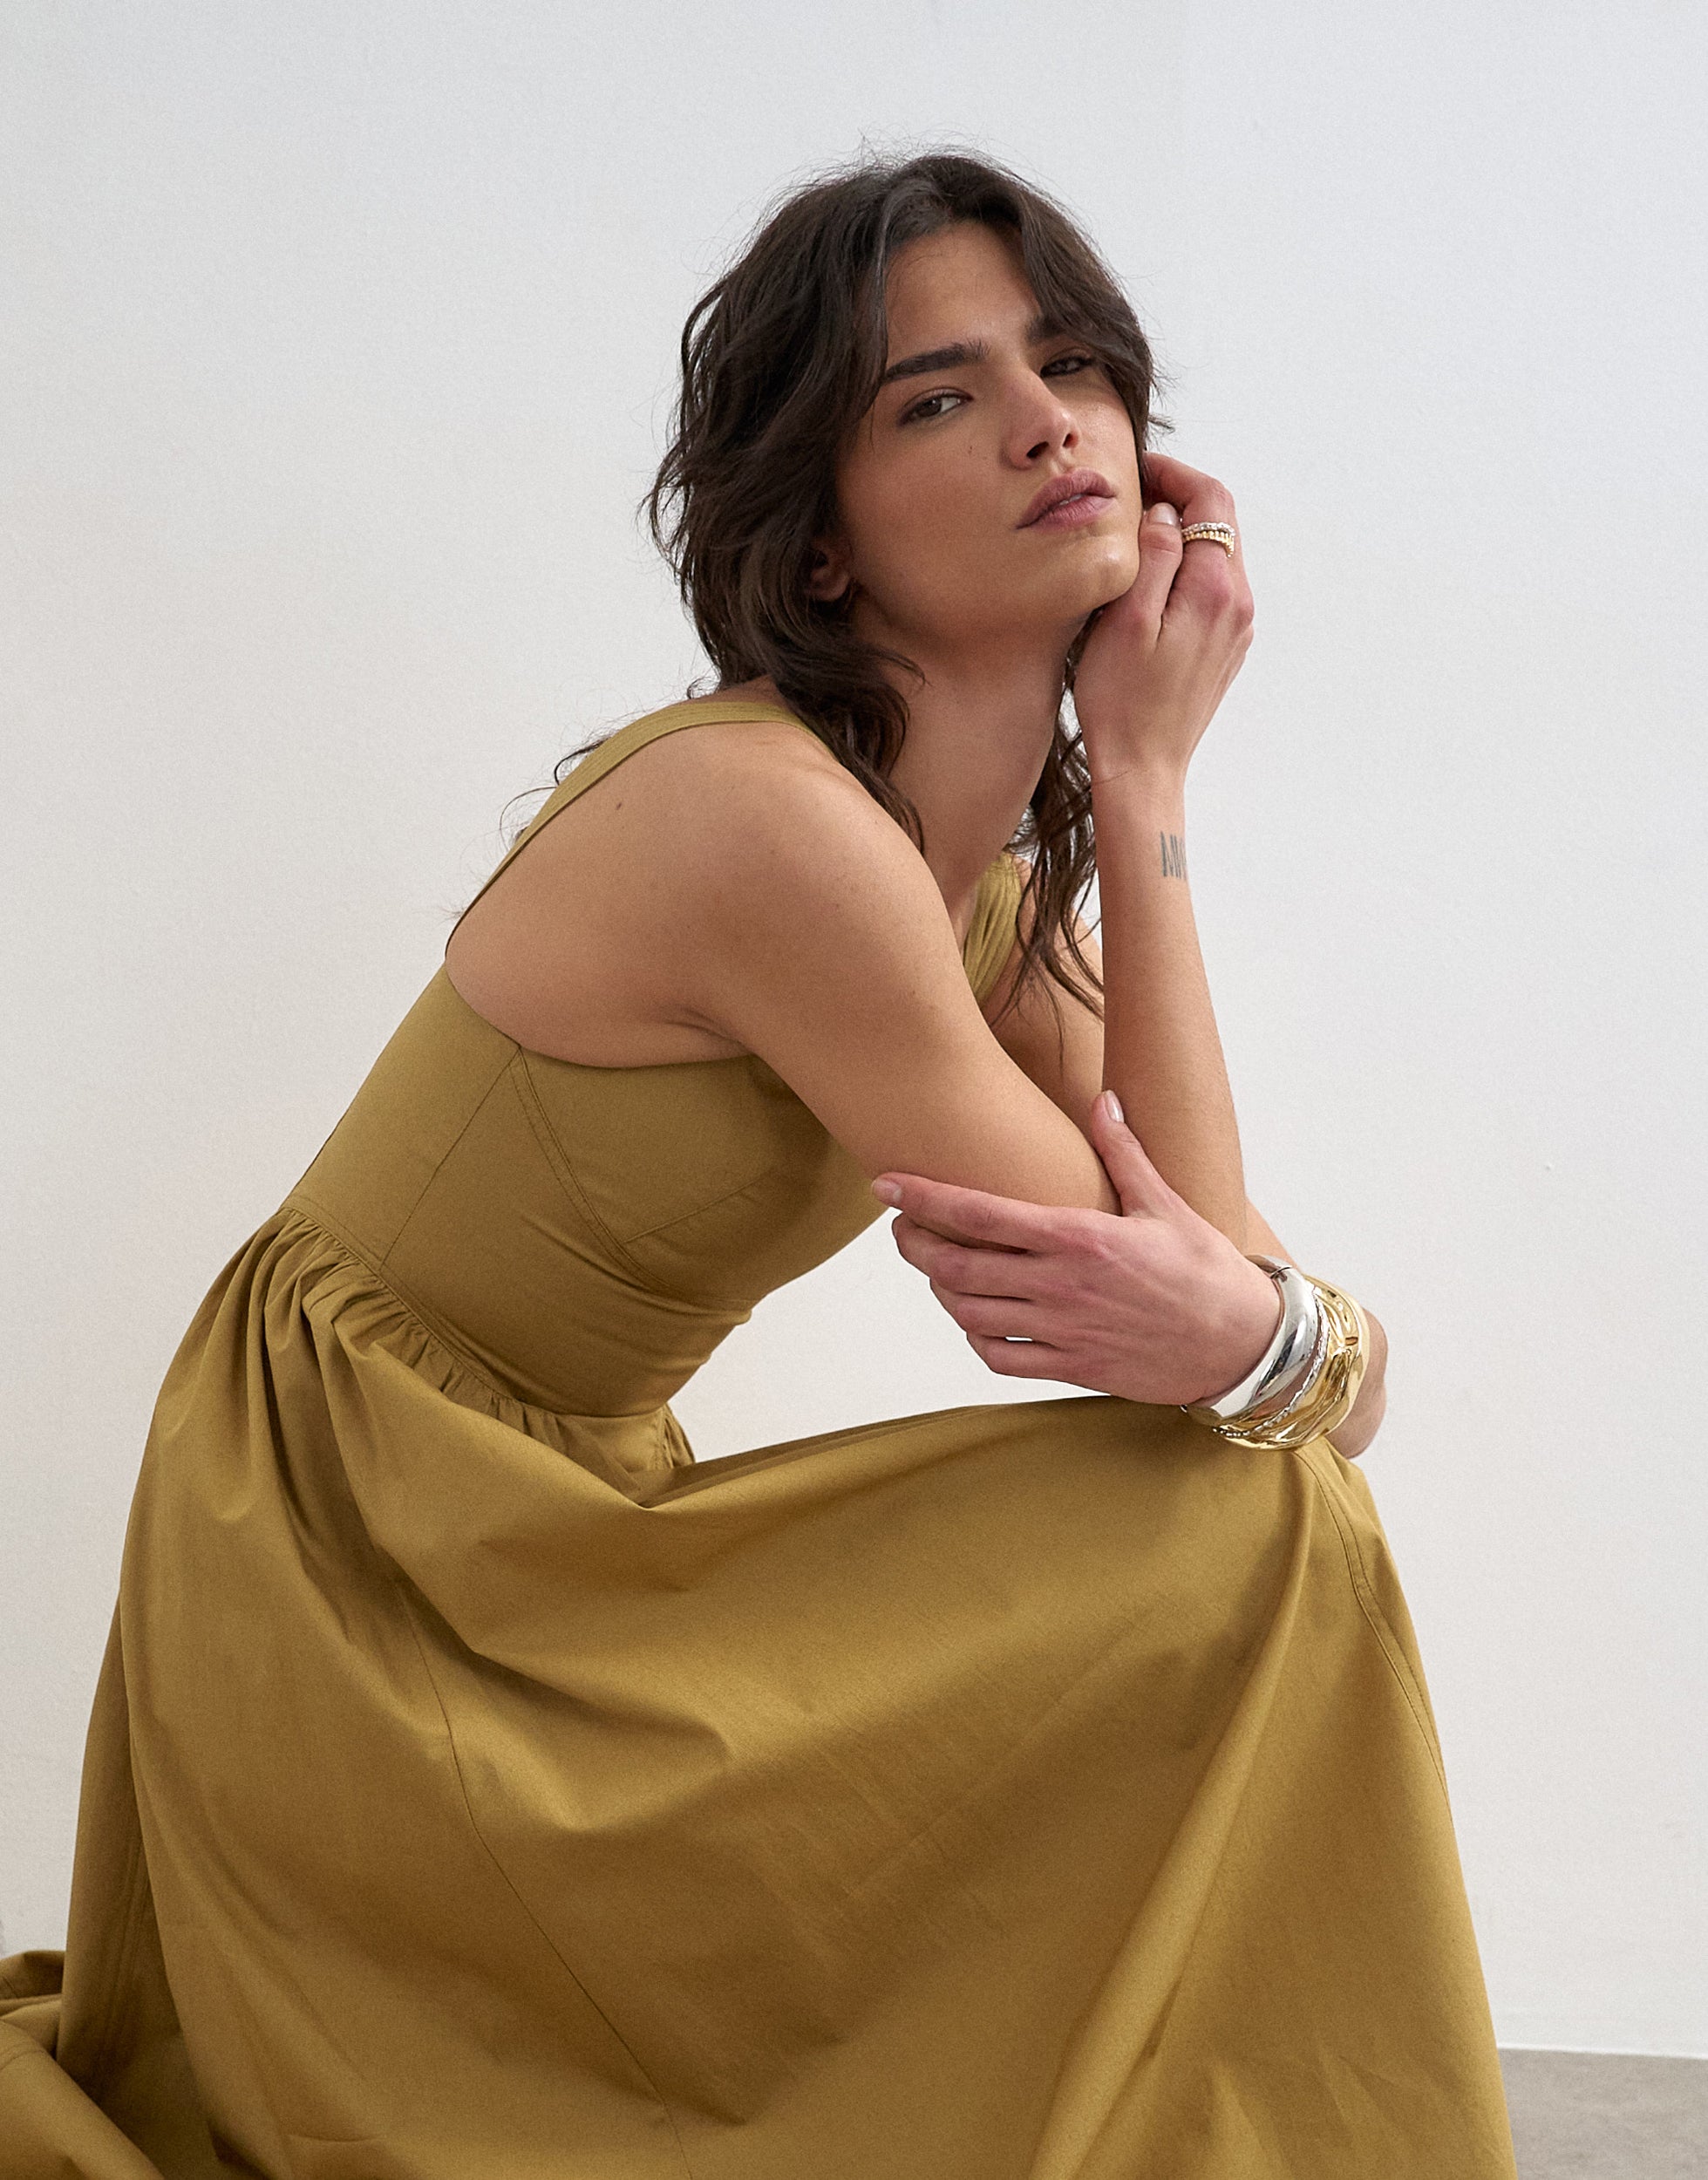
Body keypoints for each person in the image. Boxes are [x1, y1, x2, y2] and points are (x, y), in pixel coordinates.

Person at [0, 151, 1515, 2179]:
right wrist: (1148, 773)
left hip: (551, 1526)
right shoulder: (765, 827)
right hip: (362, 1568)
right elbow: (1215, 1337)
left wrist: (1269, 1322)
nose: (1047, 422)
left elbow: (1221, 1319)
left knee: (1259, 1514)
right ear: (813, 548)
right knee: (1249, 1534)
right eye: (939, 396)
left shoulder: (974, 900)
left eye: (1071, 363)